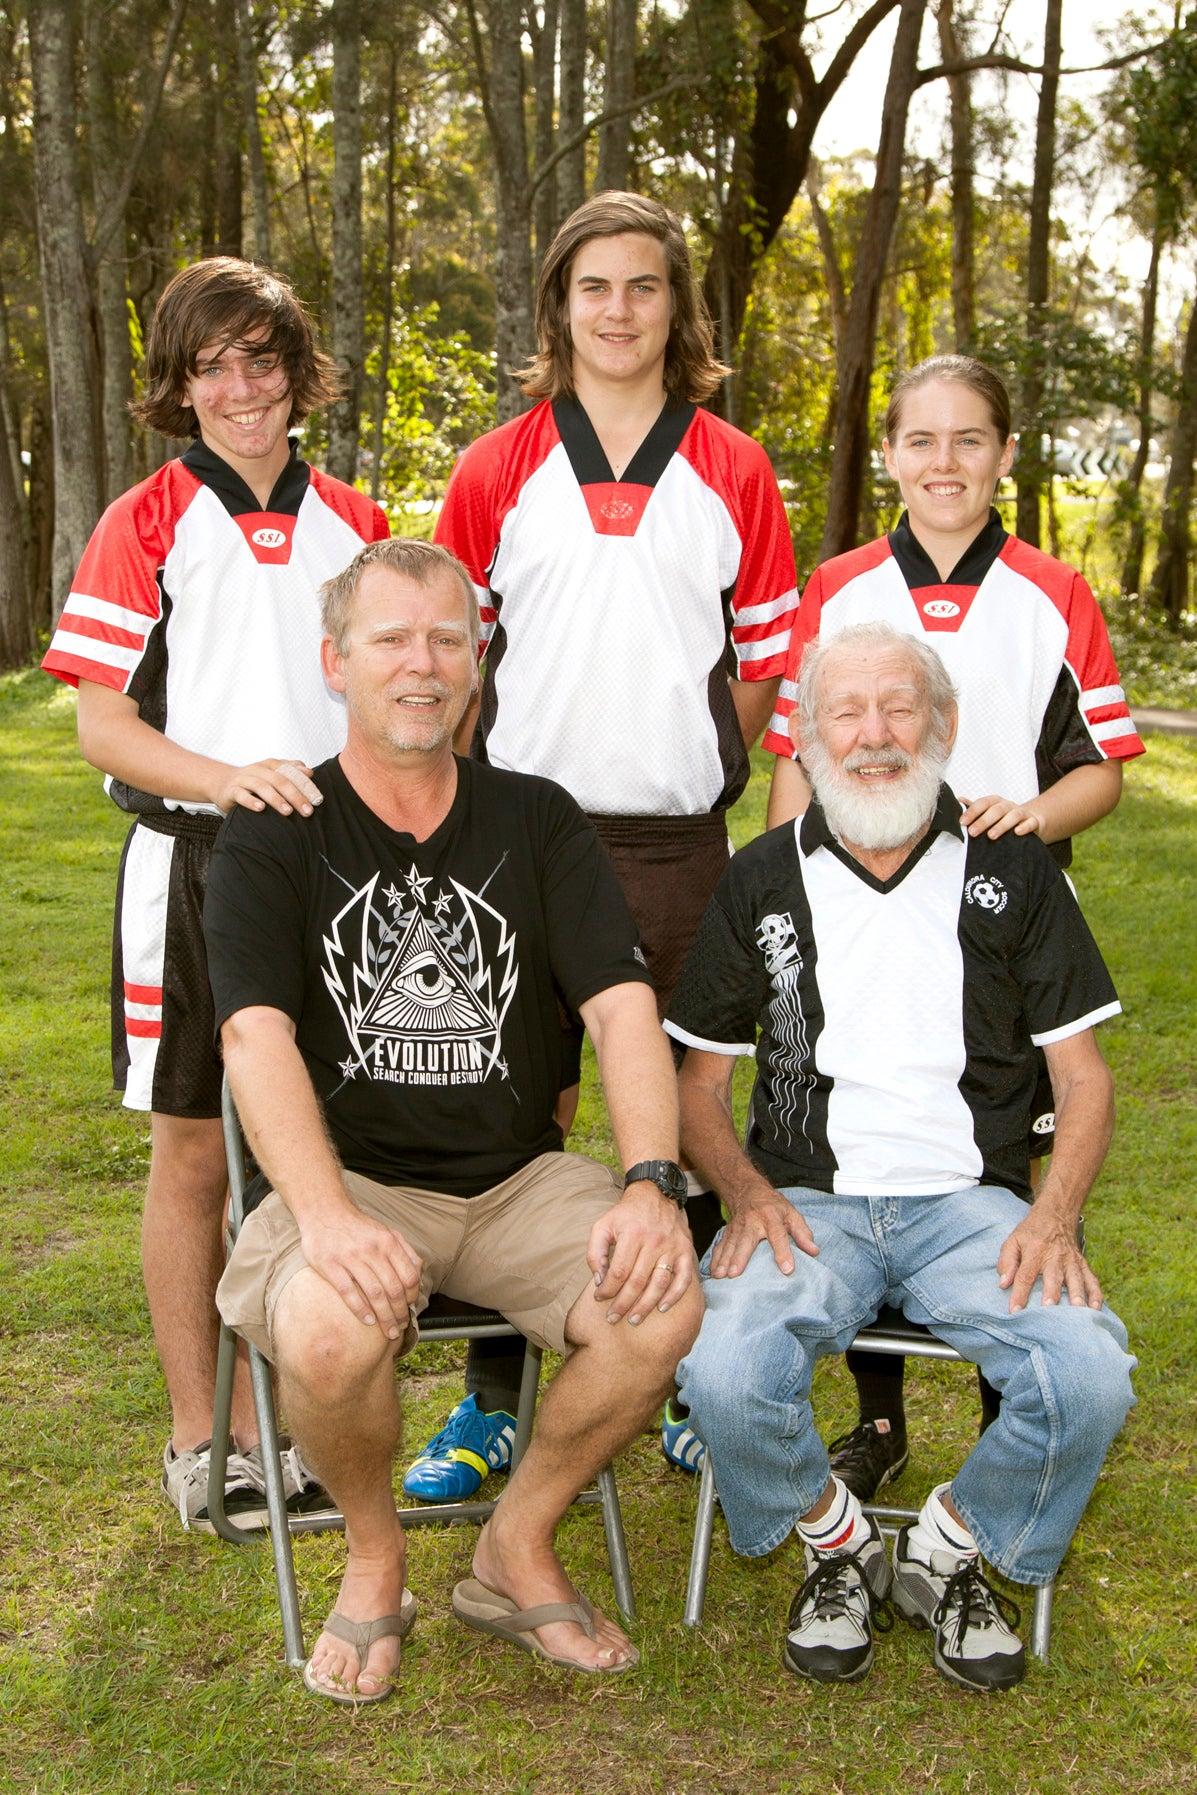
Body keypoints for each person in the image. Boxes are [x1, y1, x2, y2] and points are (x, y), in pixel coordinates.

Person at [204, 537, 702, 1702]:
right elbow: (253, 1040)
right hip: (355, 1179)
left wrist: (647, 1181)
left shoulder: (538, 817)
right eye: (391, 639)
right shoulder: (278, 825)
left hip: (519, 1182)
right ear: (337, 662)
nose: (420, 664)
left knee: (661, 1300)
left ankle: (512, 1541)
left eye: (446, 639)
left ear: (477, 663)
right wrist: (323, 1220)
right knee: (329, 1328)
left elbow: (625, 1010)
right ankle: (375, 1558)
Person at [410, 189, 798, 1497]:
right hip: (521, 842)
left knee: (679, 1111)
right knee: (521, 1115)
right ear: (558, 307)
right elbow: (448, 659)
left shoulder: (734, 466)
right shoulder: (498, 465)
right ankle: (489, 1400)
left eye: (643, 286)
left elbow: (761, 664)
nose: (618, 309)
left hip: (681, 842)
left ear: (676, 308)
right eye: (594, 288)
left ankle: (677, 1375)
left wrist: (705, 758)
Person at [666, 622, 1135, 1691]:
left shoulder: (1013, 867)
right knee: (721, 1371)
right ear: (810, 736)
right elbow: (698, 1086)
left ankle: (951, 1543)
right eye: (847, 710)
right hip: (806, 1203)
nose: (874, 735)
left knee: (1090, 1373)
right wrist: (740, 1191)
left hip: (974, 1206)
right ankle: (838, 1544)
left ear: (944, 724)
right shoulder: (760, 878)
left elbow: (1086, 1078)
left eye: (898, 708)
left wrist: (1052, 1218)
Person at [40, 257, 390, 1532]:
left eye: (264, 360)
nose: (242, 388)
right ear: (179, 387)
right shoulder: (145, 519)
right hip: (191, 864)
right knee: (195, 1154)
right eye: (213, 365)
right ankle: (205, 1438)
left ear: (300, 376)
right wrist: (229, 779)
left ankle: (293, 1426)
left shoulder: (358, 519)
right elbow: (101, 725)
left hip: (333, 875)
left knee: (315, 1157)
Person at [763, 355, 1145, 1501]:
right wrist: (785, 889)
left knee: (996, 1164)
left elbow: (1103, 770)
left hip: (1001, 935)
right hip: (857, 923)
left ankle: (1009, 1403)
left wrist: (1031, 815)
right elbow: (795, 759)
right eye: (921, 441)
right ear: (890, 455)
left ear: (1005, 455)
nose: (945, 463)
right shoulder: (838, 585)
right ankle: (878, 1423)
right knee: (859, 1144)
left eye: (969, 440)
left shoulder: (1053, 591)